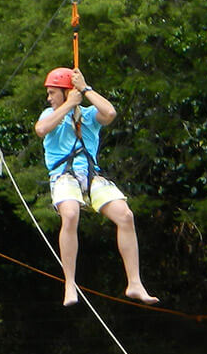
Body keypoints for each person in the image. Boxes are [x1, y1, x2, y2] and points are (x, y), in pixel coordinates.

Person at [35, 67, 159, 307]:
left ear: (65, 91)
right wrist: (69, 104)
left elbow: (110, 112)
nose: (49, 97)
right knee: (70, 214)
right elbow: (41, 129)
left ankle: (134, 282)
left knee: (125, 215)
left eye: (52, 92)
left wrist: (85, 89)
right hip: (63, 176)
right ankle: (69, 283)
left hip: (91, 176)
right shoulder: (49, 115)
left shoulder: (90, 115)